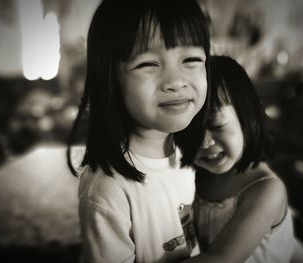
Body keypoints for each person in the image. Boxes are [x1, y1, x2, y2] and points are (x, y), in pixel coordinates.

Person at [66, 0, 211, 262]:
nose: (176, 81)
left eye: (191, 59)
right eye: (147, 64)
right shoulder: (108, 189)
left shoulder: (193, 156)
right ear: (110, 77)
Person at [183, 56, 295, 263]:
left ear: (247, 117)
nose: (204, 143)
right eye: (190, 131)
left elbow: (222, 258)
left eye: (216, 125)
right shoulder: (192, 175)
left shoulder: (266, 190)